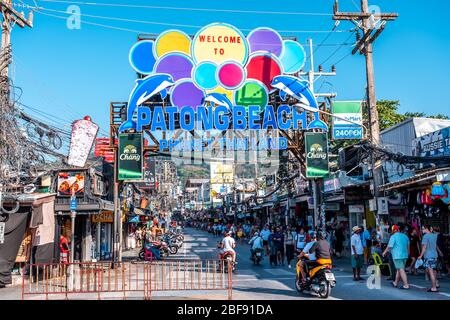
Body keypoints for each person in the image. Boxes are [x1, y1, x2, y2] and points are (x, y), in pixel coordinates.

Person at [382, 224, 410, 289]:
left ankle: (406, 285)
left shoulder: (393, 236)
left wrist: (384, 252)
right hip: (405, 255)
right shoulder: (405, 236)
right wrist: (408, 254)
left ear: (394, 230)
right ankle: (395, 283)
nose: (391, 232)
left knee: (401, 269)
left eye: (392, 230)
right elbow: (408, 246)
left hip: (398, 256)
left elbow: (389, 246)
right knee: (399, 269)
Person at [418, 225, 442, 292]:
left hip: (428, 256)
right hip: (434, 256)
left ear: (427, 229)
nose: (422, 230)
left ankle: (434, 287)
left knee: (430, 271)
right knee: (433, 270)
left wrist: (420, 255)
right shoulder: (434, 236)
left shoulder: (425, 236)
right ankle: (436, 282)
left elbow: (424, 247)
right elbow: (435, 245)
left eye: (423, 229)